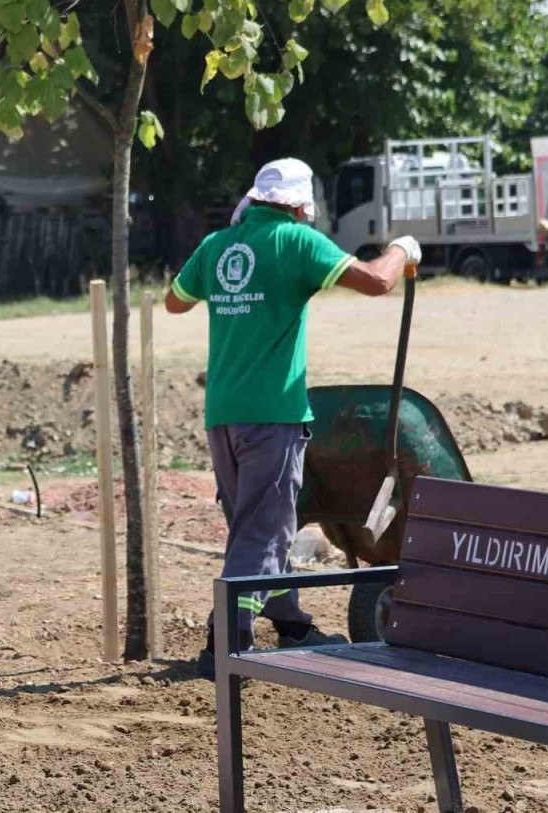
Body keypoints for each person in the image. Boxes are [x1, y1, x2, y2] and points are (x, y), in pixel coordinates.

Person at [164, 158, 421, 679]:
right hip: (273, 415)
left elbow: (173, 301)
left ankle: (291, 623)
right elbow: (376, 282)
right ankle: (225, 645)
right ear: (303, 205)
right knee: (264, 533)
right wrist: (403, 249)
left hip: (224, 415)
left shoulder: (218, 246)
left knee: (254, 526)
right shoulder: (295, 241)